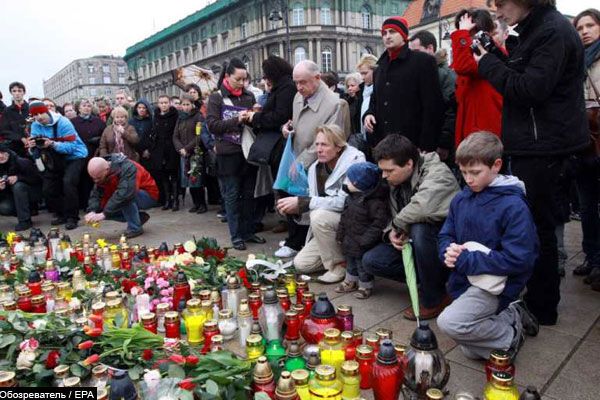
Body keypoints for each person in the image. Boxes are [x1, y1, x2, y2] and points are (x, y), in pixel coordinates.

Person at [476, 0, 589, 325]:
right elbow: (521, 77)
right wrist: (495, 56)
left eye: (502, 3)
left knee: (540, 228)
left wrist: (487, 64)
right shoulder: (538, 30)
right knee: (537, 226)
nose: (498, 12)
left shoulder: (551, 31)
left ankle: (542, 306)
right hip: (537, 144)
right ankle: (538, 299)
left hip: (546, 148)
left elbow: (528, 89)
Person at [437, 132, 539, 360]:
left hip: (498, 283)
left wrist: (464, 260)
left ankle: (509, 333)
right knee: (470, 348)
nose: (468, 180)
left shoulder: (514, 206)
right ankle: (509, 316)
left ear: (497, 165)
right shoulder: (461, 199)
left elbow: (520, 258)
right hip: (467, 278)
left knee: (450, 323)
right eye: (463, 173)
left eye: (475, 172)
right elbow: (446, 234)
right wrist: (447, 251)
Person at [362, 134, 459, 319]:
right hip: (414, 242)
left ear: (408, 164)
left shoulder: (438, 172)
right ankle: (429, 281)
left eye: (389, 171)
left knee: (420, 229)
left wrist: (397, 225)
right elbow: (397, 214)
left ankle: (434, 298)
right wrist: (391, 232)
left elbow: (422, 207)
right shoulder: (396, 179)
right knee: (371, 261)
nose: (384, 176)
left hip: (445, 245)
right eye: (382, 170)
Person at [275, 60, 346, 258]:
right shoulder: (298, 96)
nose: (299, 87)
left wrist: (303, 161)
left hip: (318, 161)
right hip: (296, 155)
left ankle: (300, 243)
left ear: (317, 78)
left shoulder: (334, 103)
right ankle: (294, 240)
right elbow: (297, 122)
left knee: (309, 201)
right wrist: (287, 129)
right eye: (296, 82)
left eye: (303, 82)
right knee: (289, 192)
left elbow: (331, 137)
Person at [278, 124, 365, 283]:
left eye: (324, 144)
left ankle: (338, 267)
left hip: (352, 223)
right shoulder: (314, 169)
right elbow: (313, 206)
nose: (319, 149)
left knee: (320, 216)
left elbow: (343, 202)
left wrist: (304, 202)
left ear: (338, 147)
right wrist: (296, 210)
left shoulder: (355, 161)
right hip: (329, 228)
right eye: (317, 144)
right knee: (301, 264)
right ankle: (340, 254)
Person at [206, 58, 265, 250]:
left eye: (244, 79)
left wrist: (254, 115)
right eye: (238, 79)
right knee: (232, 195)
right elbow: (213, 126)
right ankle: (236, 235)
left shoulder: (248, 96)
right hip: (228, 154)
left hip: (247, 151)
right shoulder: (216, 98)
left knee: (249, 194)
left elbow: (255, 124)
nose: (242, 83)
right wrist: (236, 120)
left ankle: (248, 232)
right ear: (227, 76)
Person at [363, 17, 445, 152]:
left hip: (413, 144)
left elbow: (432, 107)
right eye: (384, 33)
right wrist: (369, 113)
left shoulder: (422, 61)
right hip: (384, 144)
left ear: (403, 35)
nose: (387, 36)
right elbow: (376, 100)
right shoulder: (379, 68)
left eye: (392, 32)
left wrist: (426, 145)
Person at [239, 56, 297, 234]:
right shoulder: (281, 87)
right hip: (277, 143)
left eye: (266, 74)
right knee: (280, 185)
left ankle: (291, 225)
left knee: (284, 185)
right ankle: (288, 222)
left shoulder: (286, 88)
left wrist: (255, 117)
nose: (265, 78)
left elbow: (279, 116)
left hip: (281, 144)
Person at [27, 100, 88, 230]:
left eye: (40, 113)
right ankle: (62, 213)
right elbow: (35, 148)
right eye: (34, 115)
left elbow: (72, 146)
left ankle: (72, 217)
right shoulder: (35, 125)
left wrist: (53, 144)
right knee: (48, 189)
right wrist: (32, 147)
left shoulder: (63, 122)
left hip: (75, 156)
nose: (38, 117)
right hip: (54, 158)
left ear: (47, 111)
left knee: (68, 182)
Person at [572, 8, 600, 288]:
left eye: (590, 25)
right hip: (583, 140)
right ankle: (592, 256)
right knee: (587, 204)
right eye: (580, 28)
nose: (585, 31)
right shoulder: (577, 60)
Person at [335, 161, 390, 298]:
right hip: (350, 238)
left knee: (362, 266)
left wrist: (365, 240)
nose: (346, 182)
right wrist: (340, 234)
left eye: (350, 180)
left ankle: (365, 286)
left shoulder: (375, 203)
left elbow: (378, 224)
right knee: (350, 263)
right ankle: (350, 281)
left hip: (362, 241)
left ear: (360, 184)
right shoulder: (350, 198)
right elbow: (344, 216)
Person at [451, 9, 505, 148]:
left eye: (469, 34)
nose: (467, 40)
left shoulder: (492, 54)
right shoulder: (471, 54)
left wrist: (462, 35)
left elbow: (464, 66)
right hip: (472, 134)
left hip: (484, 137)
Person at [85, 155, 158, 238]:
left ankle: (135, 228)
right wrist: (92, 210)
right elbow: (96, 193)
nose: (96, 181)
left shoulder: (127, 167)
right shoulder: (102, 171)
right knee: (104, 209)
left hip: (148, 195)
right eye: (93, 179)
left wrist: (104, 213)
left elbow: (126, 193)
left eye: (98, 178)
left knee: (124, 197)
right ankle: (139, 218)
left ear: (107, 169)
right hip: (129, 193)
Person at [173, 94, 206, 213]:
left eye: (187, 104)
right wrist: (180, 148)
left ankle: (202, 203)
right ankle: (195, 203)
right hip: (183, 154)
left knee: (196, 179)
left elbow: (199, 136)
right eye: (183, 104)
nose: (185, 107)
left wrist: (187, 148)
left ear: (192, 104)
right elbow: (175, 136)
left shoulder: (198, 116)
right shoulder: (180, 118)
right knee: (187, 180)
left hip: (195, 153)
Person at [71, 98, 106, 208]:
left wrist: (98, 139)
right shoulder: (73, 122)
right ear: (78, 108)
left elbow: (104, 135)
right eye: (84, 105)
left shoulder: (98, 121)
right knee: (84, 180)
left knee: (98, 180)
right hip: (80, 155)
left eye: (89, 105)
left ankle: (99, 204)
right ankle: (85, 203)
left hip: (95, 154)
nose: (87, 107)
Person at [0, 145, 42, 231]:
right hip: (14, 196)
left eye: (3, 153)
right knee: (4, 207)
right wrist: (1, 188)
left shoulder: (21, 162)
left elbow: (38, 179)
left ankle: (25, 220)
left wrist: (18, 178)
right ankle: (27, 211)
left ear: (8, 152)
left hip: (34, 192)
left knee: (18, 186)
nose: (1, 156)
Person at [409, 30, 457, 104]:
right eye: (411, 53)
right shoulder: (411, 74)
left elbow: (450, 109)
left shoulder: (446, 76)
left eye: (416, 52)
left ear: (430, 48)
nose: (412, 56)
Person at [150, 94, 179, 210]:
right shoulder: (156, 116)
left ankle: (176, 200)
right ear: (158, 104)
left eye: (166, 102)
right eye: (161, 103)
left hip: (171, 149)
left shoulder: (175, 115)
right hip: (159, 150)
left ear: (169, 103)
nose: (163, 105)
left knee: (174, 176)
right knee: (164, 177)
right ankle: (168, 200)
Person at [0, 82, 29, 157]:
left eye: (19, 91)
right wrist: (20, 138)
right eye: (14, 91)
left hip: (33, 143)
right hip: (15, 147)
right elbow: (4, 130)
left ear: (24, 92)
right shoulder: (7, 111)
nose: (17, 93)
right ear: (11, 93)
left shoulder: (30, 108)